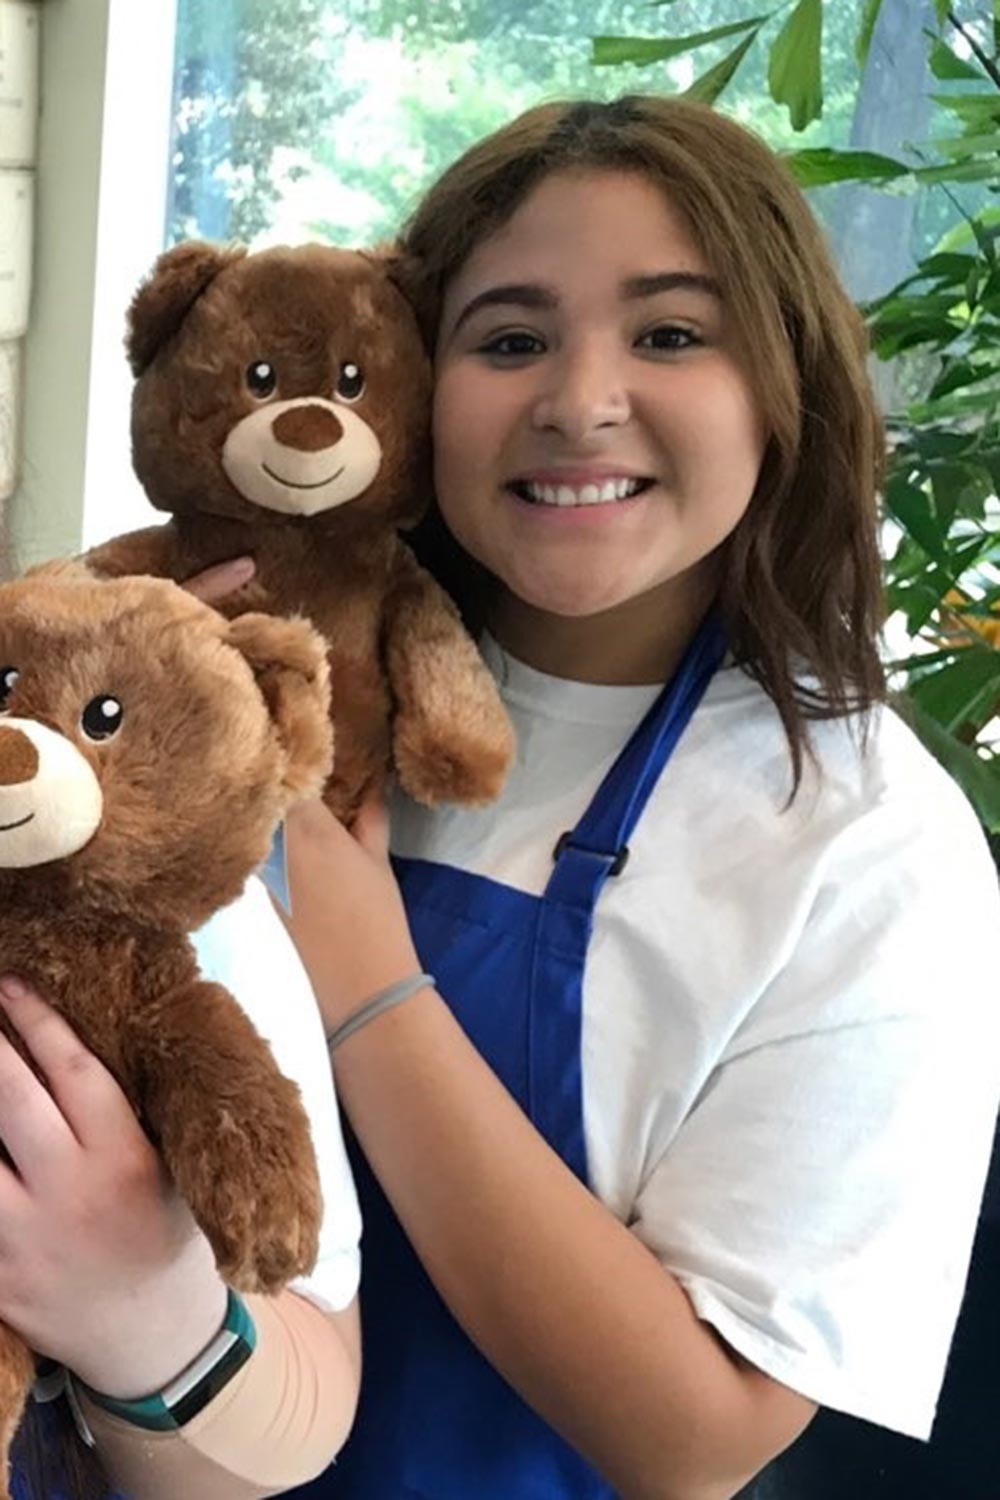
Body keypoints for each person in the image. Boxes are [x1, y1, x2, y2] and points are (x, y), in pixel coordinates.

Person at [4, 93, 999, 1500]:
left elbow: (699, 1438)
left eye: (671, 333)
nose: (580, 402)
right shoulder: (210, 674)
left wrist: (369, 987)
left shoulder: (866, 848)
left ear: (789, 383)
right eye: (511, 339)